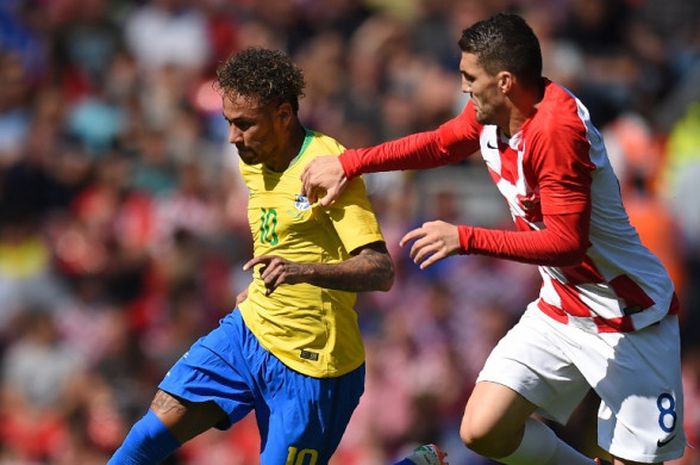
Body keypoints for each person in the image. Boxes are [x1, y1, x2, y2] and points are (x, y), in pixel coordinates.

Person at [300, 13, 685, 465]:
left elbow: (567, 243)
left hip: (628, 318)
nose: (462, 87)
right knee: (483, 430)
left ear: (503, 81)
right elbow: (442, 144)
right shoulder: (496, 113)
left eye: (469, 77)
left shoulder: (556, 133)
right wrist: (352, 163)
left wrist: (465, 237)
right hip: (562, 309)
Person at [106, 47, 446, 465]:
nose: (233, 136)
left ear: (283, 115)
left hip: (314, 365)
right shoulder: (252, 157)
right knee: (146, 438)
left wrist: (300, 271)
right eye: (229, 123)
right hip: (248, 332)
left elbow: (381, 270)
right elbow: (279, 236)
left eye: (245, 124)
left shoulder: (326, 168)